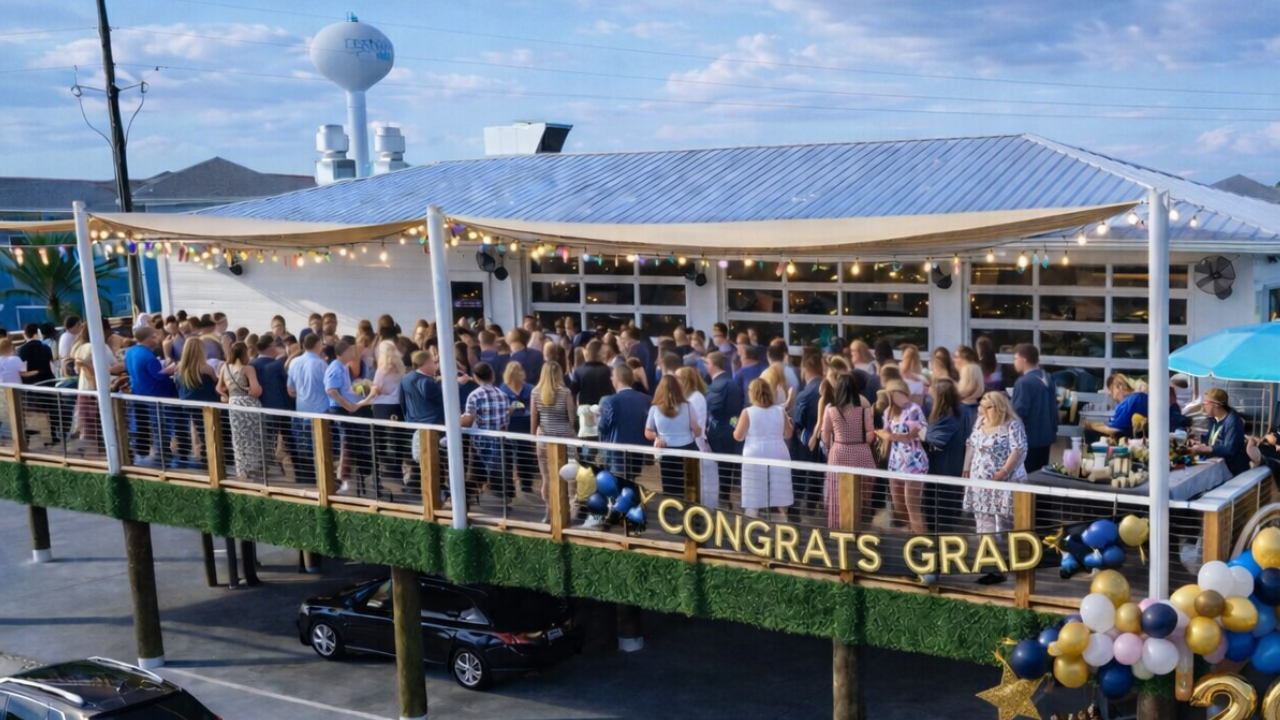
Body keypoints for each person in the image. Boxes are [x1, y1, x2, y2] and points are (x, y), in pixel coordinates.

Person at [962, 391, 1028, 585]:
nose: (982, 411)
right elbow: (971, 445)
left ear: (997, 408)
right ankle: (993, 568)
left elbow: (1018, 449)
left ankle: (1013, 566)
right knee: (984, 526)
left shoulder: (1012, 425)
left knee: (1005, 526)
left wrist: (1004, 471)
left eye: (985, 407)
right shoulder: (980, 422)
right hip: (980, 484)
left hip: (1003, 484)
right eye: (981, 407)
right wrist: (965, 468)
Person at [820, 373, 876, 529]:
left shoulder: (831, 411)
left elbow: (825, 435)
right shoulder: (864, 411)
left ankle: (839, 526)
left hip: (838, 452)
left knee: (838, 494)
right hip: (861, 453)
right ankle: (861, 524)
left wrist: (828, 447)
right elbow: (870, 435)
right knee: (861, 493)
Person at [734, 378, 793, 519]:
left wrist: (735, 425)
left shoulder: (747, 412)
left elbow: (738, 436)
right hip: (778, 451)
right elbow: (788, 434)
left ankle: (751, 531)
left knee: (754, 496)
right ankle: (783, 532)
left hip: (755, 454)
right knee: (779, 495)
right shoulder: (780, 410)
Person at [325, 340, 378, 494]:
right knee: (346, 442)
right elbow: (331, 390)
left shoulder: (342, 367)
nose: (353, 353)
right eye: (350, 350)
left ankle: (351, 479)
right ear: (345, 352)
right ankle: (345, 480)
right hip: (339, 410)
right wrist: (348, 406)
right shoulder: (336, 367)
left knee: (351, 441)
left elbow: (342, 389)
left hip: (345, 409)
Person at [531, 361, 577, 520]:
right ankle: (571, 509)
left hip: (544, 438)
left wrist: (533, 437)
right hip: (565, 436)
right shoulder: (565, 392)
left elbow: (534, 419)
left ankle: (548, 511)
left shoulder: (535, 392)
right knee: (570, 475)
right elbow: (571, 418)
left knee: (546, 477)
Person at [124, 326, 176, 467]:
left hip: (137, 393)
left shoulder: (130, 352)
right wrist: (171, 370)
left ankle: (142, 454)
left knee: (141, 424)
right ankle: (162, 455)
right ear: (147, 338)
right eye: (154, 336)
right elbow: (158, 376)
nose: (157, 339)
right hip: (155, 395)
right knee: (160, 424)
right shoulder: (148, 356)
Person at [924, 378, 971, 533]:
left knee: (939, 506)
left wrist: (918, 431)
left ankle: (939, 539)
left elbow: (937, 439)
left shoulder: (949, 414)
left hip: (943, 466)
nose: (929, 393)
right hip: (953, 462)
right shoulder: (961, 410)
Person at [461, 362, 511, 505]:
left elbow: (468, 421)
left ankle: (465, 504)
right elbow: (506, 419)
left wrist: (456, 421)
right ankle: (503, 505)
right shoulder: (503, 395)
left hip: (480, 442)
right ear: (493, 375)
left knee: (473, 475)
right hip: (499, 442)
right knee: (499, 475)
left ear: (475, 376)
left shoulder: (474, 396)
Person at [882, 379, 929, 533]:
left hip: (913, 462)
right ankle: (911, 536)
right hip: (895, 462)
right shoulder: (888, 412)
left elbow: (923, 434)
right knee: (900, 507)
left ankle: (923, 540)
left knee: (912, 506)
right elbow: (886, 434)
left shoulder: (914, 409)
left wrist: (906, 435)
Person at [645, 374, 701, 497]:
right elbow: (697, 431)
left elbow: (648, 431)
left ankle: (672, 513)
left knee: (670, 489)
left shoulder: (654, 408)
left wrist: (657, 437)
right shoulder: (688, 406)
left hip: (667, 451)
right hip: (688, 450)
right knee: (691, 489)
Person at [217, 341, 265, 481]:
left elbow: (219, 388)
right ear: (244, 353)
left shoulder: (224, 368)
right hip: (248, 404)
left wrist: (227, 396)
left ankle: (241, 470)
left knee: (238, 438)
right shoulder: (248, 369)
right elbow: (256, 391)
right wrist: (252, 390)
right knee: (253, 438)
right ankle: (253, 469)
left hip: (234, 403)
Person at [596, 364, 651, 481]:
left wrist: (597, 417)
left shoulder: (609, 401)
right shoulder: (646, 399)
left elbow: (603, 427)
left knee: (618, 487)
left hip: (616, 454)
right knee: (632, 485)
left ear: (615, 379)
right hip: (638, 453)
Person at [286, 334, 328, 487]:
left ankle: (307, 480)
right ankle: (323, 480)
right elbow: (329, 388)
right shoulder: (320, 364)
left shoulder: (294, 362)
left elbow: (290, 389)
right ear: (318, 345)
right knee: (321, 448)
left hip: (301, 411)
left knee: (304, 449)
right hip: (319, 412)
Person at [1011, 343, 1058, 472]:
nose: (1014, 362)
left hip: (1028, 440)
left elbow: (1017, 413)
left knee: (1027, 479)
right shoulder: (1048, 378)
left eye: (1015, 358)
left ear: (1023, 360)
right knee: (1040, 476)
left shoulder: (1023, 382)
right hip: (1046, 438)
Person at [704, 351, 743, 507]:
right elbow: (736, 412)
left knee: (719, 469)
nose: (705, 366)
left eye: (707, 363)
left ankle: (721, 500)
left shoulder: (719, 385)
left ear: (712, 365)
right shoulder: (732, 383)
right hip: (729, 431)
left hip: (717, 433)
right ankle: (724, 498)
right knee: (725, 469)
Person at [675, 366, 717, 508]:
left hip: (695, 444)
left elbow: (695, 425)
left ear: (685, 380)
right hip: (688, 443)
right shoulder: (687, 397)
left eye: (677, 378)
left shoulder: (696, 398)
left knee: (699, 484)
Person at [250, 336, 292, 476]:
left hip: (261, 407)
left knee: (266, 440)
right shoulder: (279, 364)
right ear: (270, 347)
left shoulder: (252, 364)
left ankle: (266, 468)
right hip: (280, 406)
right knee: (287, 440)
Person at [174, 337, 219, 466]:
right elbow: (215, 382)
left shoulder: (179, 368)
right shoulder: (206, 368)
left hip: (188, 404)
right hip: (207, 405)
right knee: (207, 430)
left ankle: (197, 453)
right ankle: (207, 455)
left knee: (194, 428)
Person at [790, 353, 824, 517]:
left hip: (805, 442)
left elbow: (797, 423)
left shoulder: (805, 394)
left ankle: (802, 512)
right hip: (825, 442)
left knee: (804, 478)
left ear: (805, 369)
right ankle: (813, 507)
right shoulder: (829, 388)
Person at [370, 341, 407, 486]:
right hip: (396, 404)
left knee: (379, 438)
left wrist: (367, 384)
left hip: (381, 405)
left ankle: (381, 468)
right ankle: (397, 467)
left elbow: (377, 389)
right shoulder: (400, 367)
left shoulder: (381, 370)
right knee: (397, 437)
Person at [1191, 388, 1250, 476]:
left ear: (1216, 405)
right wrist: (1198, 442)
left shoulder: (1233, 421)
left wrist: (1207, 448)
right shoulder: (1214, 419)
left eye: (1205, 403)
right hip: (1217, 464)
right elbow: (1211, 440)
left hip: (1232, 469)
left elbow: (1229, 449)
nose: (1203, 405)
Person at [500, 362, 537, 496]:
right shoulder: (503, 389)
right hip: (510, 424)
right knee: (509, 455)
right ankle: (510, 486)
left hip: (526, 424)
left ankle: (526, 484)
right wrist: (511, 408)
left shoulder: (530, 389)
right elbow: (502, 410)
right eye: (519, 373)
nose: (523, 375)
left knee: (525, 455)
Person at [1086, 373, 1147, 440]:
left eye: (1110, 387)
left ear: (1120, 387)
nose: (1109, 392)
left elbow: (1113, 429)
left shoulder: (1128, 402)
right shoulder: (1137, 398)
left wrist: (1090, 425)